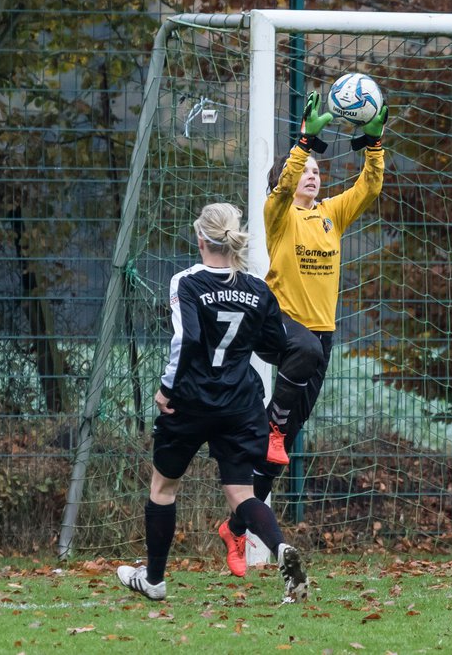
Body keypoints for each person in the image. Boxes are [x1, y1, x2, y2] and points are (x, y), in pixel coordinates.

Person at [216, 90, 387, 577]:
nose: (312, 173)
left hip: (318, 339)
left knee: (282, 449)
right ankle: (272, 427)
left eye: (316, 169)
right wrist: (305, 141)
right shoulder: (279, 214)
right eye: (305, 169)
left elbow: (370, 188)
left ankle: (235, 525)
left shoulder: (332, 214)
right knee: (301, 355)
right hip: (279, 325)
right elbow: (284, 181)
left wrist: (374, 144)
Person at [116, 202, 310, 604]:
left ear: (201, 237)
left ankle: (153, 579)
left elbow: (186, 340)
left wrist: (166, 390)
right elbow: (276, 346)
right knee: (242, 494)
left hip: (189, 402)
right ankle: (281, 551)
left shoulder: (187, 282)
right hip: (239, 404)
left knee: (163, 487)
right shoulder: (258, 288)